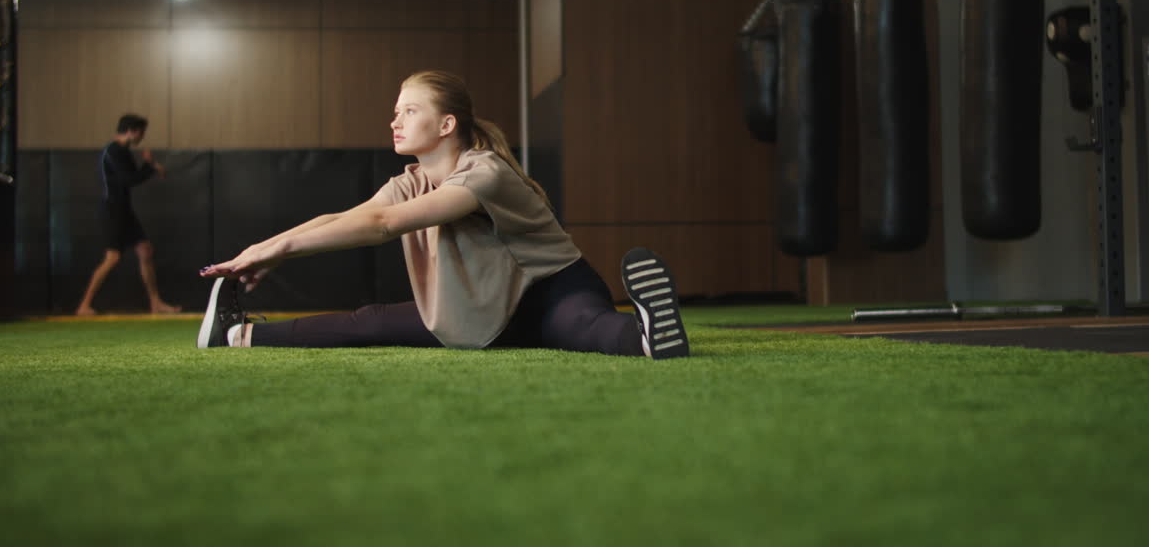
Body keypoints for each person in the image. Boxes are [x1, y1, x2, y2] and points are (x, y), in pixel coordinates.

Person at [196, 70, 690, 359]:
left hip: (549, 290)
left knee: (584, 326)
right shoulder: (410, 180)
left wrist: (276, 249)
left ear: (447, 123)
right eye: (396, 111)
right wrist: (268, 252)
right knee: (370, 322)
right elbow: (342, 216)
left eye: (410, 111)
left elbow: (383, 225)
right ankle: (238, 333)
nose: (395, 120)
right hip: (476, 308)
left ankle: (647, 334)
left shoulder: (485, 172)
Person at [76, 114, 181, 316]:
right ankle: (84, 305)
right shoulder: (114, 151)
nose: (142, 137)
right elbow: (129, 180)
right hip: (112, 210)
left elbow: (133, 177)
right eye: (141, 132)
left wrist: (149, 167)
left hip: (123, 209)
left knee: (145, 250)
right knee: (112, 258)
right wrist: (150, 167)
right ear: (132, 131)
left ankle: (155, 303)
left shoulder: (122, 151)